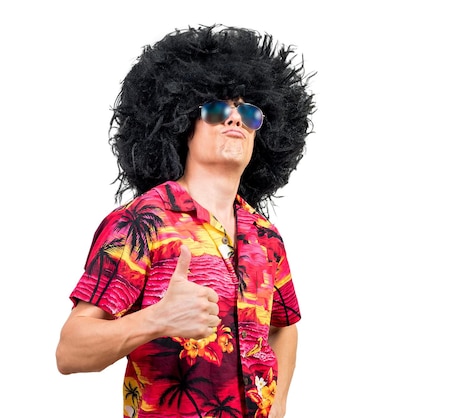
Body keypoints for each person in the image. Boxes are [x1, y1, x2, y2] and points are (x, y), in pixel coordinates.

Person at [55, 24, 315, 418]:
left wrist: (278, 405)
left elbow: (284, 325)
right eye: (216, 110)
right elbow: (70, 350)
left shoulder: (265, 236)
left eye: (249, 112)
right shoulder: (141, 222)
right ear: (182, 125)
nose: (235, 120)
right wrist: (156, 319)